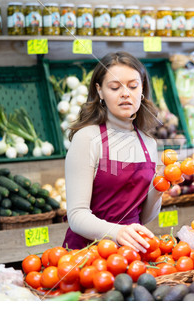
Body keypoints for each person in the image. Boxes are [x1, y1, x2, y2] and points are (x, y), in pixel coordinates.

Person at [63, 52, 163, 253]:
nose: (126, 93)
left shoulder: (148, 143)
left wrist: (160, 185)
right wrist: (116, 233)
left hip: (129, 253)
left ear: (142, 89)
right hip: (86, 255)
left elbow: (144, 217)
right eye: (115, 87)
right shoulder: (87, 138)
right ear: (99, 91)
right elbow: (76, 216)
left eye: (133, 86)